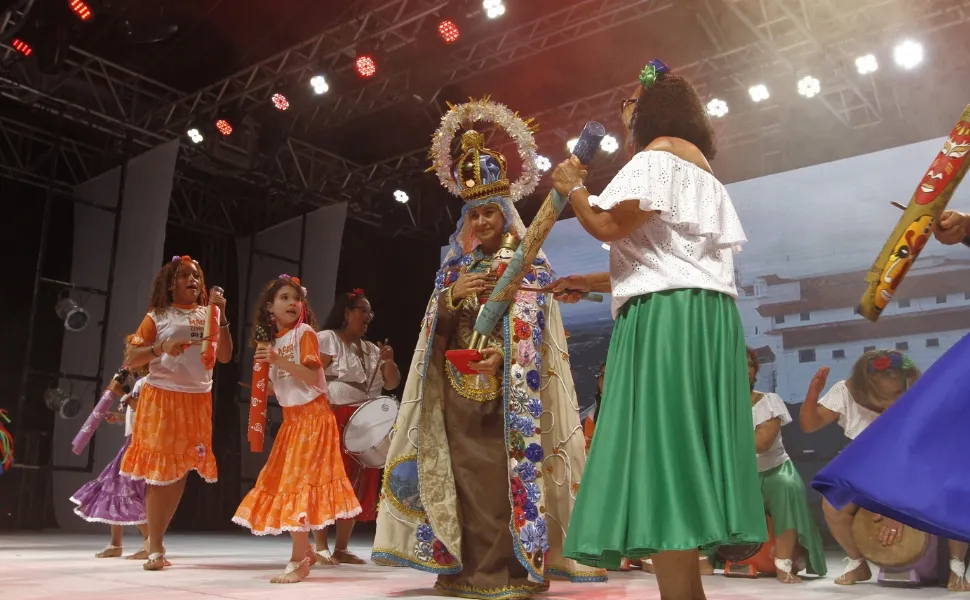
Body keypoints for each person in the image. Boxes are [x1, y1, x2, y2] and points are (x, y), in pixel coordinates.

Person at [372, 100, 606, 600]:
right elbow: (430, 332)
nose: (481, 222)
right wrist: (450, 299)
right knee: (462, 480)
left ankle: (508, 572)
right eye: (473, 213)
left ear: (505, 214)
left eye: (490, 212)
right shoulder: (452, 270)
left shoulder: (529, 265)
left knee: (501, 481)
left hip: (508, 389)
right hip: (456, 391)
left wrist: (505, 355)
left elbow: (538, 326)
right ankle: (461, 566)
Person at [549, 59, 765, 600]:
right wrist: (592, 282)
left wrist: (573, 187)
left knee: (661, 456)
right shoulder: (704, 174)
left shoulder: (656, 156)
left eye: (631, 113)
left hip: (665, 322)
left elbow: (605, 223)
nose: (627, 124)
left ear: (650, 115)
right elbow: (669, 257)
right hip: (707, 320)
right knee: (681, 458)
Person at [232, 275, 361, 583]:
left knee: (298, 485)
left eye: (296, 298)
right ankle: (305, 553)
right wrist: (262, 389)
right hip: (293, 421)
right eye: (284, 298)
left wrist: (278, 361)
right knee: (287, 484)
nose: (292, 303)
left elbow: (314, 378)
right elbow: (286, 385)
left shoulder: (303, 333)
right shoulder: (271, 342)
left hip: (313, 419)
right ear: (270, 308)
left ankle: (299, 557)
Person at [806, 350, 970, 591]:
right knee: (832, 505)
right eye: (889, 394)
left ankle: (957, 567)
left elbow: (921, 458)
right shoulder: (847, 392)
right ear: (867, 389)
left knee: (954, 495)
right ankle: (857, 562)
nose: (896, 401)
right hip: (869, 474)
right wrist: (813, 394)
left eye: (899, 393)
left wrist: (896, 511)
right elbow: (809, 425)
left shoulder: (919, 397)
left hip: (917, 472)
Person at [121, 255, 232, 571]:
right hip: (163, 398)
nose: (193, 279)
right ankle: (155, 547)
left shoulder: (208, 314)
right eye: (184, 275)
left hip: (197, 400)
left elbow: (224, 355)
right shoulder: (158, 315)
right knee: (160, 472)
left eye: (196, 274)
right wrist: (160, 349)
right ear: (170, 285)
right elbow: (131, 358)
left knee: (181, 470)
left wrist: (221, 315)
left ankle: (154, 540)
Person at [312, 289, 401, 565]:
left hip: (362, 422)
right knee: (329, 478)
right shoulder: (327, 339)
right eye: (363, 310)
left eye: (369, 312)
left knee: (358, 480)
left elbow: (392, 384)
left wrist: (389, 362)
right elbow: (313, 376)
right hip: (333, 417)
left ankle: (341, 547)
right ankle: (320, 546)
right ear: (347, 313)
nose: (367, 317)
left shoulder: (373, 350)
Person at [744, 348, 826, 583]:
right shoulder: (715, 404)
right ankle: (702, 558)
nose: (743, 369)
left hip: (774, 470)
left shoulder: (769, 401)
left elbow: (761, 443)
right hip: (738, 475)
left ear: (755, 372)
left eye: (749, 364)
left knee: (785, 486)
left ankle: (783, 562)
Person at [70, 366, 150, 560]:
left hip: (141, 444)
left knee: (125, 490)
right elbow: (136, 415)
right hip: (132, 442)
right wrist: (121, 418)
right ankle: (116, 544)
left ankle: (152, 542)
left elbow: (146, 412)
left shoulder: (150, 382)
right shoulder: (140, 383)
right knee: (113, 486)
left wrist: (120, 393)